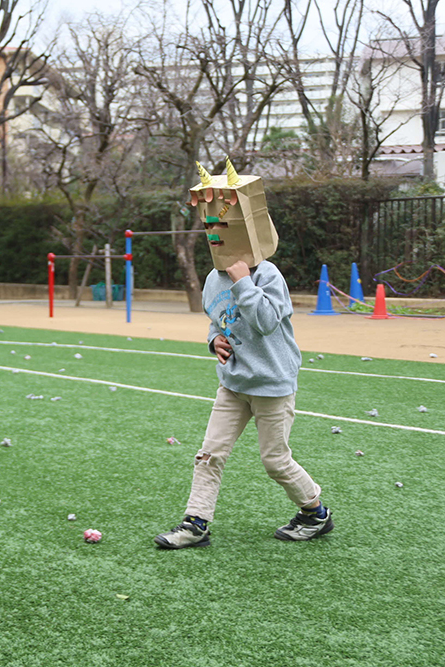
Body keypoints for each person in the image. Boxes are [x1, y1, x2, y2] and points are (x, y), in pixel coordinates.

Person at [155, 160, 333, 549]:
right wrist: (214, 340)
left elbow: (267, 321)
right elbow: (218, 321)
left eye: (222, 226)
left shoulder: (268, 275)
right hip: (234, 383)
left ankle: (315, 512)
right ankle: (195, 523)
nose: (215, 235)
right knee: (209, 455)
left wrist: (244, 282)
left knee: (275, 462)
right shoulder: (211, 279)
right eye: (210, 227)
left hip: (272, 384)